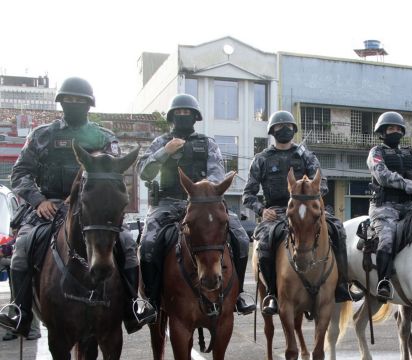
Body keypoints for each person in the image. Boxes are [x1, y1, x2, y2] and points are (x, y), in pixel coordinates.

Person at [0, 77, 156, 337]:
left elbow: (115, 173)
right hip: (47, 207)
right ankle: (21, 312)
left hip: (91, 211)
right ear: (61, 103)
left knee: (127, 244)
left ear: (89, 105)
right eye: (69, 100)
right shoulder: (42, 135)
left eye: (80, 101)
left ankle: (132, 307)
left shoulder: (104, 137)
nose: (74, 104)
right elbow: (20, 174)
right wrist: (39, 200)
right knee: (22, 247)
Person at [137, 94, 255, 317]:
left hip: (202, 205)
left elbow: (217, 173)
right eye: (179, 113)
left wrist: (201, 189)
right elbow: (144, 172)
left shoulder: (207, 143)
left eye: (187, 113)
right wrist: (165, 152)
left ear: (195, 117)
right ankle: (151, 300)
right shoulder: (161, 142)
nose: (183, 116)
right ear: (172, 117)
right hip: (166, 205)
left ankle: (238, 295)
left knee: (240, 237)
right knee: (147, 244)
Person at [243, 110, 356, 316]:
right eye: (279, 126)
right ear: (272, 130)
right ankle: (271, 293)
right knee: (265, 243)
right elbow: (248, 195)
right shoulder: (261, 159)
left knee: (338, 230)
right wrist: (262, 210)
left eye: (288, 126)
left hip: (308, 207)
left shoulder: (306, 155)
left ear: (294, 130)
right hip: (276, 211)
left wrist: (308, 194)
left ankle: (342, 284)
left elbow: (323, 185)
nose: (284, 129)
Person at [367, 111, 412, 302]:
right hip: (384, 208)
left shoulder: (410, 153)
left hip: (410, 206)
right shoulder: (376, 153)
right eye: (390, 128)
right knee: (387, 239)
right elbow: (383, 176)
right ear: (383, 131)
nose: (394, 131)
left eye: (397, 129)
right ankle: (383, 281)